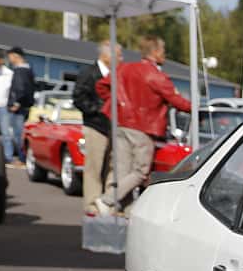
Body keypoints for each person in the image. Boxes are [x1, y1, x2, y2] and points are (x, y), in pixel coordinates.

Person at [108, 36, 193, 214]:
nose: (165, 55)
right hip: (144, 127)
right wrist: (194, 108)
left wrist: (120, 106)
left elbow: (102, 86)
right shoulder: (154, 74)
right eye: (163, 51)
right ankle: (108, 199)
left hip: (121, 124)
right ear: (155, 52)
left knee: (123, 171)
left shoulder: (124, 68)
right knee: (140, 171)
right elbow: (175, 99)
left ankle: (125, 211)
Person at [72, 42, 114, 216]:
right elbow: (78, 97)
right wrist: (97, 110)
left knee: (111, 166)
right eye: (117, 54)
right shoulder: (88, 73)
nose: (120, 59)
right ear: (105, 56)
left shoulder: (116, 74)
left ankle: (108, 201)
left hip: (111, 127)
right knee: (94, 167)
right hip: (95, 126)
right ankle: (91, 203)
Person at [5, 48, 36, 135]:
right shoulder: (28, 69)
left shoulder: (21, 70)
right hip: (24, 106)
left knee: (14, 135)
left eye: (10, 57)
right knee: (18, 134)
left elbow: (20, 88)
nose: (9, 59)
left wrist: (16, 103)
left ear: (16, 56)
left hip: (17, 108)